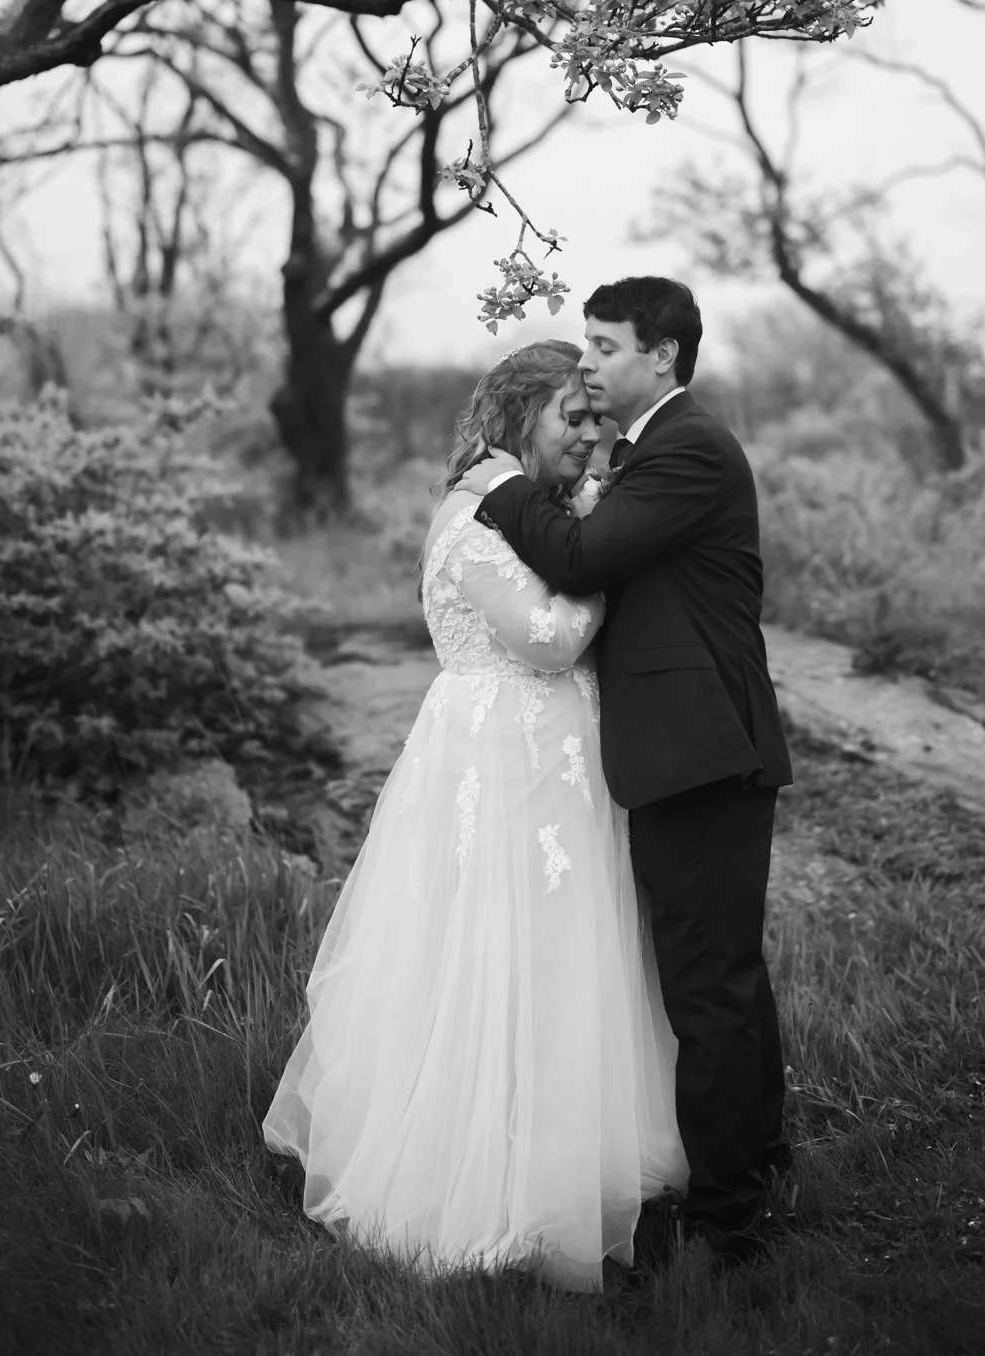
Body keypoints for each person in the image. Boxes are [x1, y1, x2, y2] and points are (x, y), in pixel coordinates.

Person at [263, 340, 689, 1293]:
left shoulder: (533, 509)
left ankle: (572, 1160)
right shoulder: (475, 519)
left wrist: (584, 526)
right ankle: (482, 1187)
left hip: (553, 763)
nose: (589, 435)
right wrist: (606, 564)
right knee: (494, 953)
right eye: (569, 418)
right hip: (500, 760)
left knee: (562, 959)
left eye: (594, 417)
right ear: (514, 418)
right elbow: (547, 638)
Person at [459, 277, 793, 1269]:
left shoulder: (687, 445)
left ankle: (729, 1223)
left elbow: (584, 556)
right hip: (692, 753)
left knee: (710, 992)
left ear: (663, 354)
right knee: (724, 981)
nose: (589, 362)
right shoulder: (653, 449)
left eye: (604, 346)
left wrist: (498, 485)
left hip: (701, 756)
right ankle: (758, 1169)